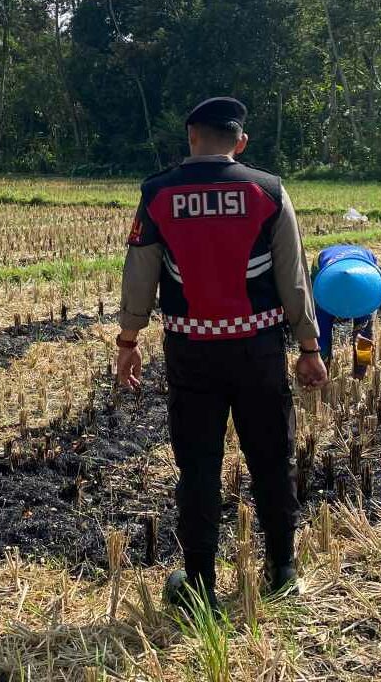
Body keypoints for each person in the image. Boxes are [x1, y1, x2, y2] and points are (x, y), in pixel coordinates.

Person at [117, 96, 327, 612]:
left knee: (198, 466)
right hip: (256, 349)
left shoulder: (158, 192)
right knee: (271, 457)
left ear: (190, 137)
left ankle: (199, 583)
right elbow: (293, 278)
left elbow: (140, 274)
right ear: (241, 142)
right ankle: (282, 569)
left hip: (191, 351)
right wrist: (308, 346)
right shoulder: (269, 192)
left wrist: (128, 340)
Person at [313, 244, 381, 376]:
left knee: (364, 337)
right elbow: (321, 337)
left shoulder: (366, 295)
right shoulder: (325, 293)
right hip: (327, 271)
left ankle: (360, 376)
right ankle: (321, 374)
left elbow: (364, 338)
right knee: (321, 331)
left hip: (363, 279)